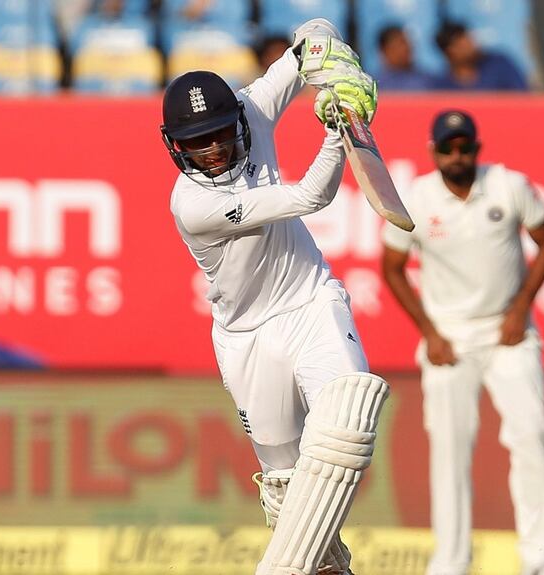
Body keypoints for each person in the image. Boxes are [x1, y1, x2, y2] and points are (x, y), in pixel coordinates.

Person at [160, 18, 388, 575]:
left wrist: (340, 71)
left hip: (310, 302)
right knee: (287, 489)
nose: (211, 148)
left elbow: (312, 37)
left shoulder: (252, 108)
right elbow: (313, 196)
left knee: (347, 417)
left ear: (236, 116)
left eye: (218, 132)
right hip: (244, 337)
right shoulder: (192, 204)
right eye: (195, 141)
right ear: (174, 146)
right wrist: (339, 132)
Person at [381, 110, 544, 575]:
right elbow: (392, 267)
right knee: (450, 449)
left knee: (531, 436)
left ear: (478, 148)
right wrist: (429, 332)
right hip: (449, 339)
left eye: (465, 147)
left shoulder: (508, 185)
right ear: (434, 151)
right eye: (448, 148)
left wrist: (521, 308)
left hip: (509, 333)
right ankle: (451, 563)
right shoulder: (416, 199)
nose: (457, 156)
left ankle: (542, 560)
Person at [433, 22, 527, 91]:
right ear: (449, 52)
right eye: (461, 45)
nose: (471, 45)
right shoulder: (441, 85)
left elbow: (523, 97)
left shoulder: (500, 64)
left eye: (469, 39)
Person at [375, 25, 436, 91]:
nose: (407, 48)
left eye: (407, 43)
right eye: (401, 43)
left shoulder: (428, 81)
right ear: (384, 50)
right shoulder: (374, 86)